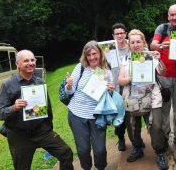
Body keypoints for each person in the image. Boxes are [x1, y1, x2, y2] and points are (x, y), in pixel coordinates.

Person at [0, 50, 74, 170]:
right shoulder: (8, 85)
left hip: (41, 131)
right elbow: (0, 113)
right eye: (26, 60)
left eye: (32, 60)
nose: (30, 63)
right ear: (17, 64)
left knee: (66, 153)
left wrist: (48, 127)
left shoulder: (40, 82)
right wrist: (14, 107)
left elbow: (47, 108)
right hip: (19, 135)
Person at [118, 29, 168, 170]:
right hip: (132, 98)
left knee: (156, 126)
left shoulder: (150, 55)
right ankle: (138, 148)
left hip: (152, 96)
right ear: (129, 44)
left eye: (138, 41)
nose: (135, 44)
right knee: (132, 127)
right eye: (132, 42)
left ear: (143, 42)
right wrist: (130, 78)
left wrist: (158, 59)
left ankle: (160, 152)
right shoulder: (126, 59)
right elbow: (120, 80)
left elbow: (163, 72)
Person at [65, 40, 115, 170]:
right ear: (85, 56)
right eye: (88, 55)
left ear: (100, 53)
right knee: (83, 149)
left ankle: (101, 167)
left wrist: (110, 91)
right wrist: (69, 85)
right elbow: (70, 91)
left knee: (100, 150)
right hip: (77, 114)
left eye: (94, 53)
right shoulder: (80, 68)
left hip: (97, 115)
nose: (92, 57)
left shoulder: (106, 72)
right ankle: (86, 167)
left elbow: (108, 97)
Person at [150, 4, 176, 147]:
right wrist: (161, 46)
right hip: (164, 76)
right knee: (164, 109)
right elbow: (153, 45)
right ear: (168, 16)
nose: (175, 17)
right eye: (172, 15)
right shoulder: (162, 28)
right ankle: (165, 137)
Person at [111, 23, 130, 151]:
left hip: (130, 85)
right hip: (116, 87)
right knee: (119, 115)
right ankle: (121, 138)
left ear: (125, 33)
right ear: (113, 35)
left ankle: (136, 139)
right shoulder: (109, 49)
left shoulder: (132, 46)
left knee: (133, 113)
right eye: (116, 33)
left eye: (121, 33)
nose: (119, 35)